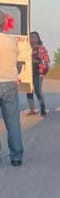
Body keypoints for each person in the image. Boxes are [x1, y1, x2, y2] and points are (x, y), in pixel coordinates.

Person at [0, 12, 25, 165]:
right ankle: (16, 157)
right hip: (9, 83)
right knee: (12, 122)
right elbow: (17, 61)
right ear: (3, 24)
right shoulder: (11, 40)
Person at [26, 31, 50, 117]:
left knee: (37, 90)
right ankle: (32, 109)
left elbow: (47, 61)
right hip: (28, 72)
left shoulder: (41, 48)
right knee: (28, 90)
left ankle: (43, 109)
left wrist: (44, 71)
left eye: (34, 37)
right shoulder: (27, 48)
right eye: (31, 37)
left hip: (38, 72)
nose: (32, 38)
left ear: (38, 38)